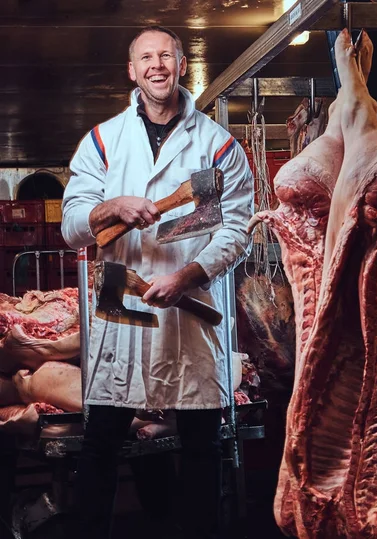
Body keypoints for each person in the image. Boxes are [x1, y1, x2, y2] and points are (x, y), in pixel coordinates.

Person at [61, 25, 254, 539]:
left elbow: (235, 230)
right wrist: (112, 206)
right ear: (132, 70)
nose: (156, 66)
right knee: (101, 438)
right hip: (118, 295)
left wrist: (188, 275)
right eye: (146, 57)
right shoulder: (104, 140)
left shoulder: (218, 145)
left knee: (200, 441)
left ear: (181, 64)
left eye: (165, 56)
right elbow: (73, 222)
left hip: (188, 303)